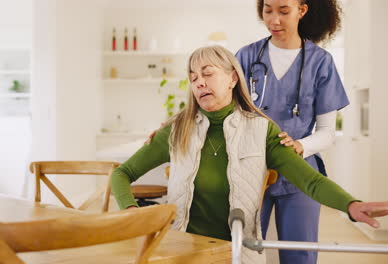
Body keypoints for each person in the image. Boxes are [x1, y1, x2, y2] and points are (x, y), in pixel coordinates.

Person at [110, 45, 388, 264]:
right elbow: (121, 173)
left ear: (232, 77)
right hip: (182, 252)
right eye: (193, 77)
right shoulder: (176, 131)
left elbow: (310, 181)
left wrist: (351, 205)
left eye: (207, 73)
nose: (199, 83)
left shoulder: (262, 131)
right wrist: (132, 213)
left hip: (238, 254)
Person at [235, 0, 348, 263]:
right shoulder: (246, 57)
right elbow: (217, 105)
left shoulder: (321, 63)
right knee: (245, 249)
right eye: (268, 10)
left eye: (284, 11)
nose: (274, 20)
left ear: (302, 10)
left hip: (300, 171)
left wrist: (300, 146)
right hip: (251, 168)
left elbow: (327, 132)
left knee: (301, 253)